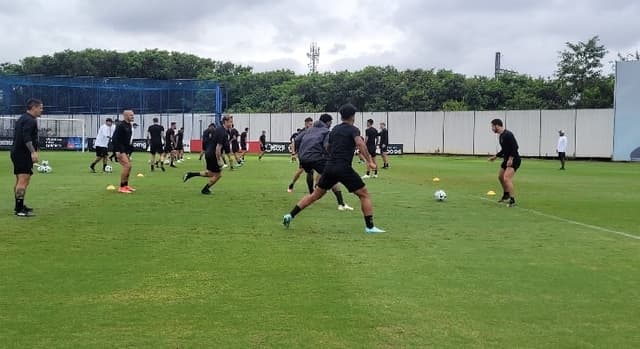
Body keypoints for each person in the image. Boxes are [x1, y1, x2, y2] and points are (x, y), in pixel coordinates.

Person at [282, 104, 385, 234]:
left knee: (314, 195)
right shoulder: (353, 130)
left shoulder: (334, 129)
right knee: (364, 194)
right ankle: (370, 227)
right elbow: (360, 143)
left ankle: (290, 215)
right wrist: (370, 161)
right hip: (343, 167)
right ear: (353, 116)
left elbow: (328, 147)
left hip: (330, 166)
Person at [297, 113, 354, 211]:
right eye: (330, 122)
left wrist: (300, 151)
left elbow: (297, 139)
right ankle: (341, 204)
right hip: (314, 157)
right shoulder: (326, 131)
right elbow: (326, 146)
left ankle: (311, 193)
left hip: (302, 157)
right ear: (327, 122)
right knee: (332, 175)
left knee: (309, 172)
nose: (331, 124)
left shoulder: (308, 129)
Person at [183, 115, 234, 194]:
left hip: (208, 153)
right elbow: (218, 148)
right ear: (225, 122)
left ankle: (190, 174)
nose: (231, 123)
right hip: (213, 154)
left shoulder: (219, 129)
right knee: (218, 175)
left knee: (210, 173)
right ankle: (205, 189)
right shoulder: (222, 132)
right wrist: (219, 160)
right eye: (230, 122)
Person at [11, 98, 43, 217]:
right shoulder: (30, 120)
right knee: (23, 180)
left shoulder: (23, 118)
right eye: (40, 107)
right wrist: (33, 152)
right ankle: (19, 209)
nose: (41, 110)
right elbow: (26, 137)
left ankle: (19, 205)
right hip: (22, 154)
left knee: (22, 179)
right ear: (33, 107)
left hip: (18, 153)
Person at [488, 118, 521, 207]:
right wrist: (496, 156)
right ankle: (506, 194)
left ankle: (512, 200)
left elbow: (515, 147)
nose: (492, 129)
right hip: (506, 159)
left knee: (506, 178)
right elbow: (504, 149)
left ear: (497, 125)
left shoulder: (508, 134)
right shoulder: (501, 136)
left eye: (492, 126)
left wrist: (511, 159)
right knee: (500, 177)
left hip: (514, 159)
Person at [111, 110, 136, 194]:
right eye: (131, 115)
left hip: (125, 149)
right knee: (127, 166)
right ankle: (121, 187)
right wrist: (117, 150)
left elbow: (127, 140)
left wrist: (128, 152)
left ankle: (126, 185)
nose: (133, 117)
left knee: (129, 167)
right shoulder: (120, 125)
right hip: (119, 148)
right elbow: (114, 138)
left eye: (133, 115)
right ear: (125, 116)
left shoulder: (129, 125)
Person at [287, 117, 314, 193]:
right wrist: (293, 154)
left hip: (311, 154)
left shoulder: (312, 132)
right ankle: (292, 184)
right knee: (301, 171)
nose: (311, 126)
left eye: (312, 124)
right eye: (310, 124)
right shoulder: (301, 132)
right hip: (303, 154)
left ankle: (313, 189)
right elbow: (294, 143)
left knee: (313, 170)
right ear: (306, 124)